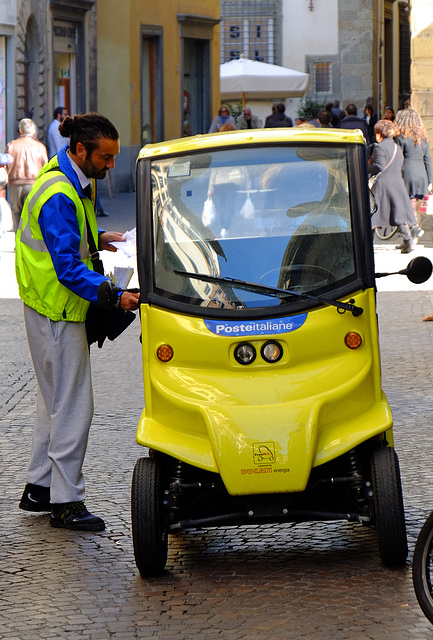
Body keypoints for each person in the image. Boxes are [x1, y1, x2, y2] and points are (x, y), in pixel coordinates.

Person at [16, 112, 140, 531]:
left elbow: (67, 239)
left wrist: (98, 237)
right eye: (105, 158)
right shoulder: (60, 193)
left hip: (48, 307)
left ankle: (39, 487)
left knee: (52, 403)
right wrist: (115, 295)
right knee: (72, 407)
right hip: (58, 310)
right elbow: (68, 267)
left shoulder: (65, 177)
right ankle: (65, 502)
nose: (110, 166)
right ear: (80, 150)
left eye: (114, 158)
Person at [369, 119, 416, 254]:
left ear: (379, 134)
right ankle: (407, 241)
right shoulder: (397, 147)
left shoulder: (380, 147)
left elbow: (379, 166)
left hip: (383, 184)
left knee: (374, 215)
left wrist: (367, 166)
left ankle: (368, 244)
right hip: (396, 182)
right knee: (399, 213)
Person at [394, 108, 432, 247]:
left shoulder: (401, 138)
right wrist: (430, 181)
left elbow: (398, 159)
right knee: (412, 205)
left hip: (407, 174)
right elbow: (427, 160)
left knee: (408, 206)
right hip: (421, 174)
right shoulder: (423, 138)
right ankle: (408, 239)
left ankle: (413, 230)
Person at [5, 118, 48, 232]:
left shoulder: (11, 146)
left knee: (17, 213)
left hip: (15, 183)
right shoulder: (40, 147)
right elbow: (46, 167)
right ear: (33, 132)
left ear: (20, 130)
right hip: (34, 183)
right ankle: (30, 243)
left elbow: (6, 166)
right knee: (32, 213)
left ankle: (18, 242)